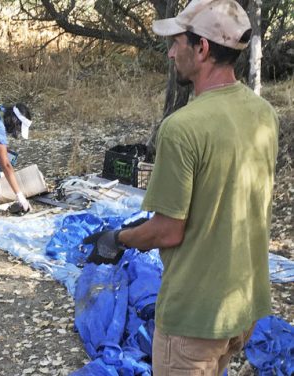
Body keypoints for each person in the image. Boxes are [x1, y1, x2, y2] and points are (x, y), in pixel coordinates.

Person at [82, 1, 279, 375]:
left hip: (195, 318)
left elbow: (168, 230)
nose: (171, 52)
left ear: (202, 48)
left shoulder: (183, 128)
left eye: (177, 43)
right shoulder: (263, 113)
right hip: (244, 306)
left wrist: (118, 237)